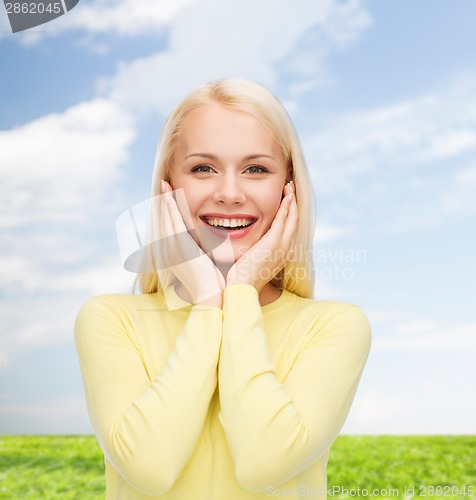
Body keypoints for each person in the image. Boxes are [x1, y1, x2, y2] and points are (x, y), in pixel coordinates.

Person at [74, 79, 371, 499]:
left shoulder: (335, 327)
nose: (229, 193)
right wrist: (210, 306)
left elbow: (262, 464)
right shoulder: (109, 320)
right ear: (168, 186)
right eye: (202, 168)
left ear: (289, 187)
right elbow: (150, 470)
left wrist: (241, 292)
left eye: (256, 169)